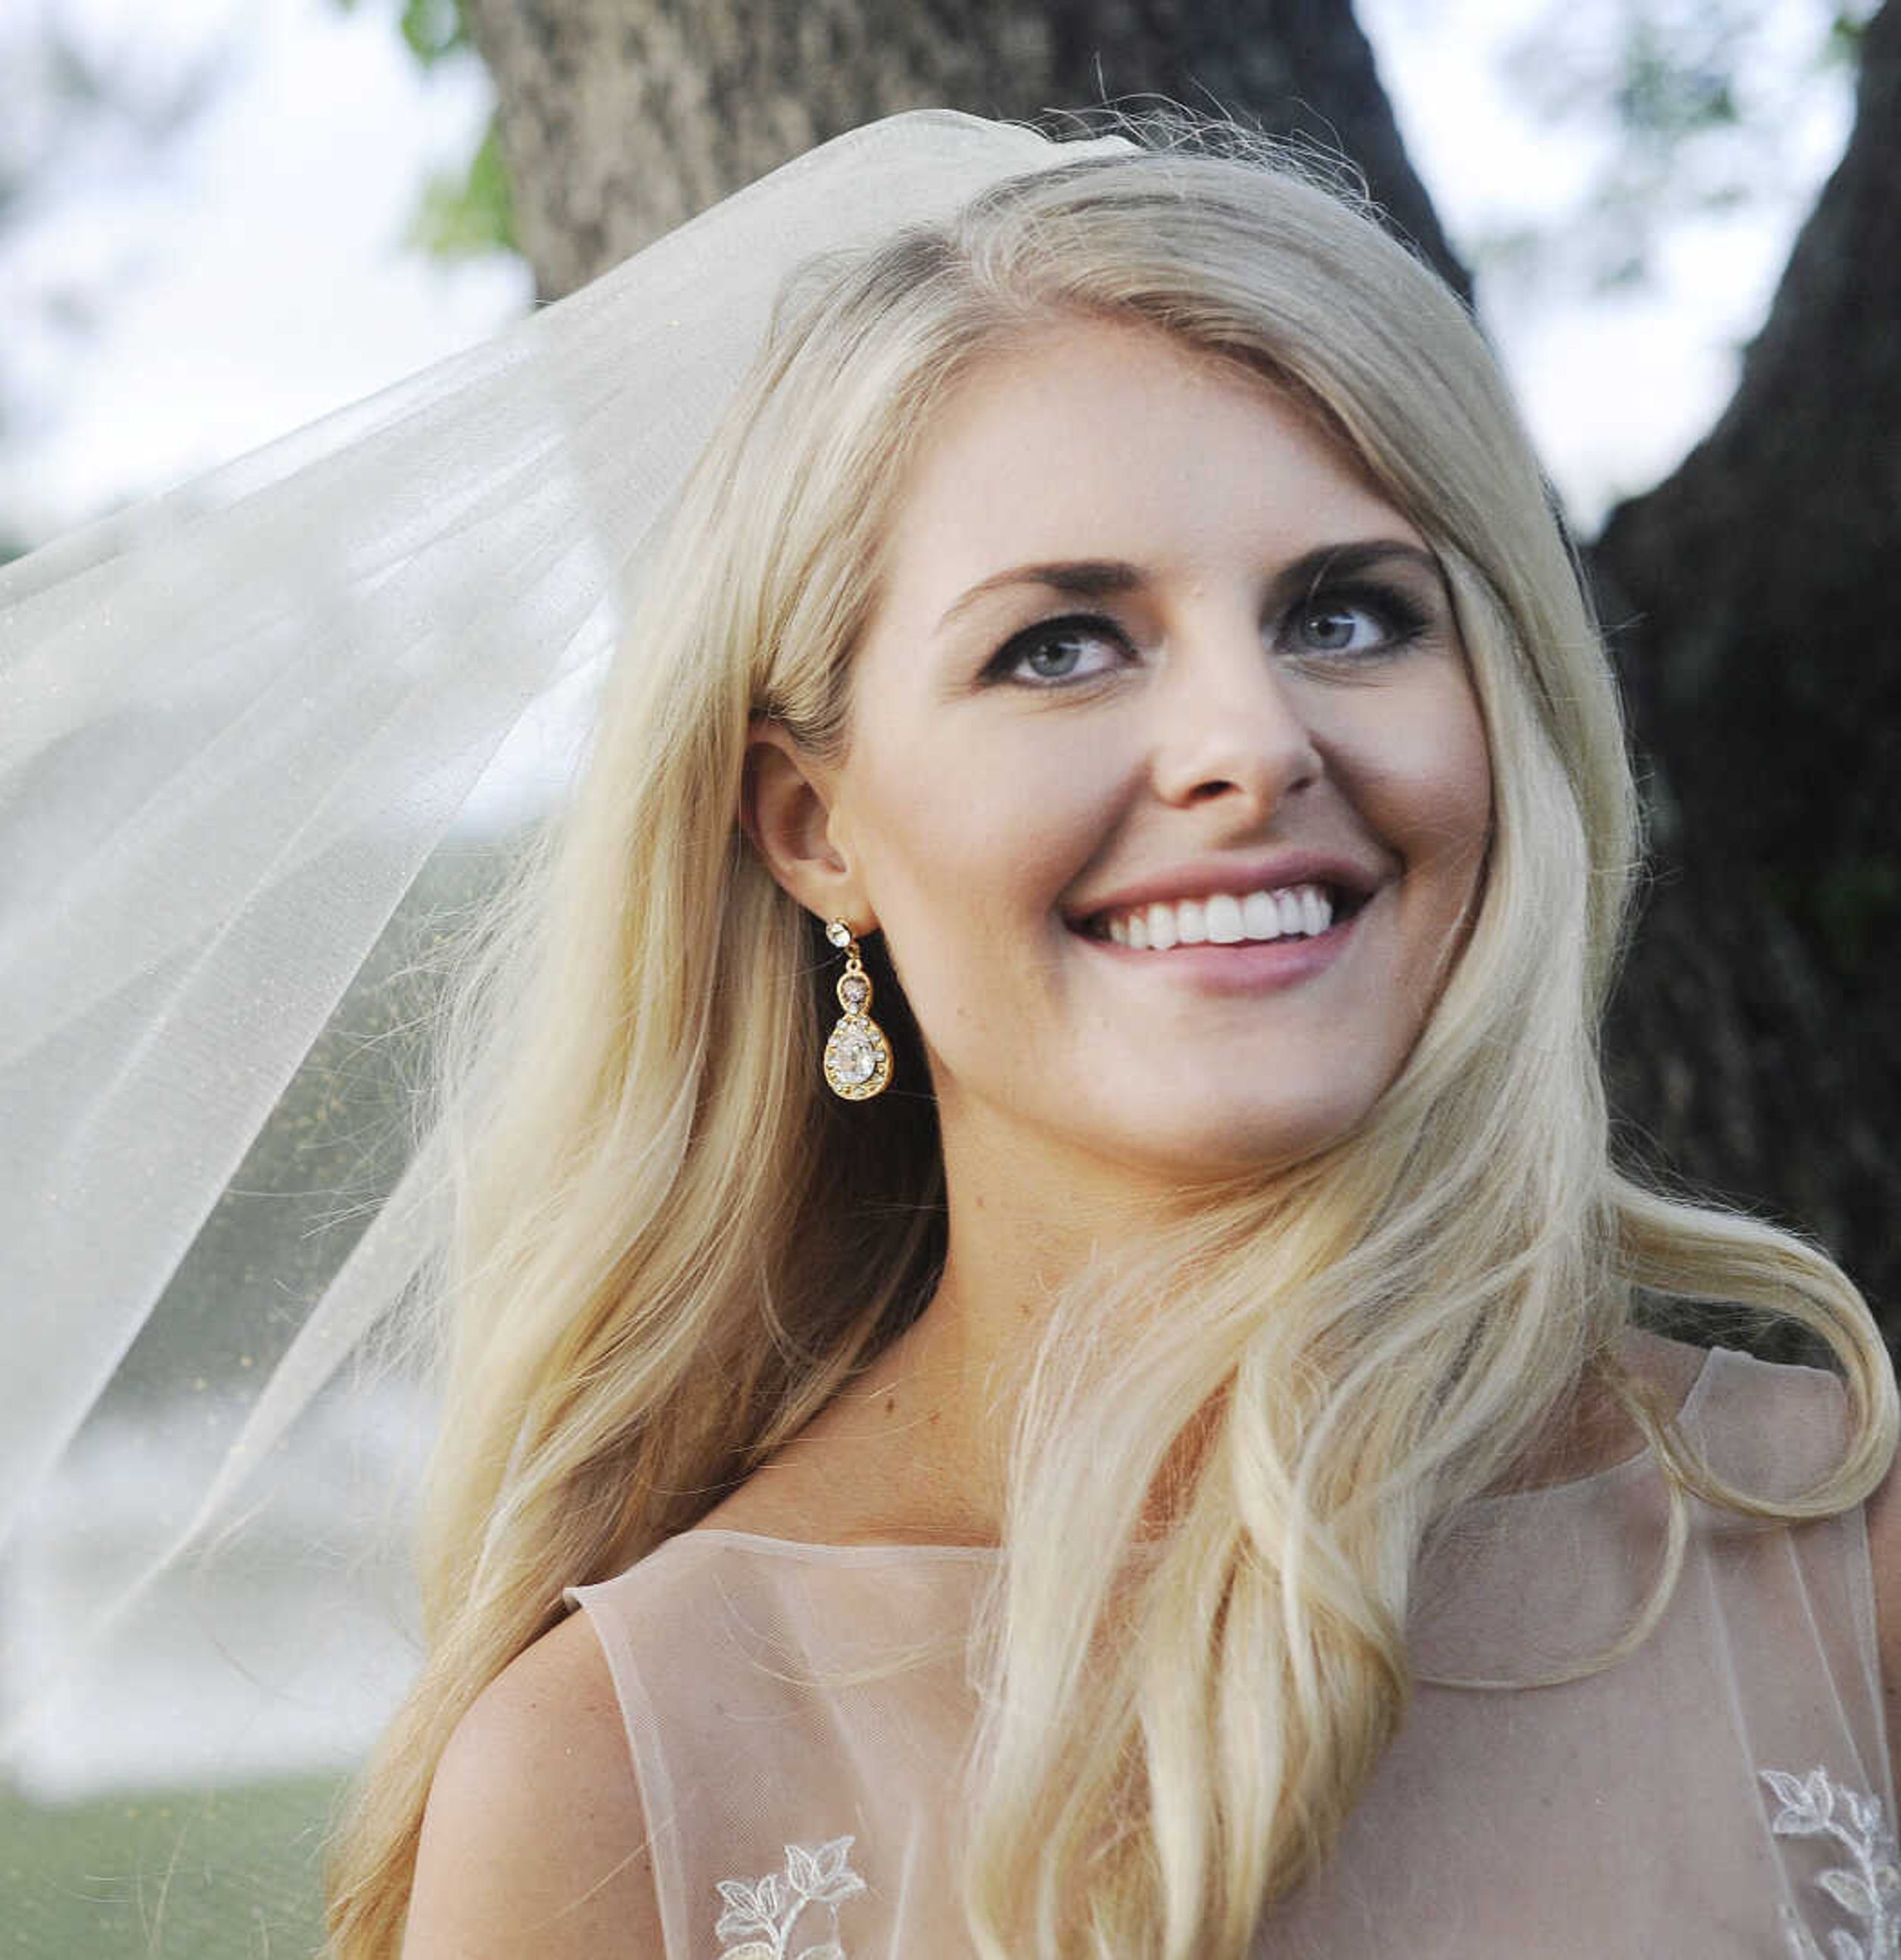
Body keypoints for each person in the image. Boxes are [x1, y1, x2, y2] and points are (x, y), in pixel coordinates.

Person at [325, 129, 1901, 1959]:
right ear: (812, 825)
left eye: (1348, 613)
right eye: (1064, 645)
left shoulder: (1845, 1573)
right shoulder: (617, 1773)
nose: (1249, 742)